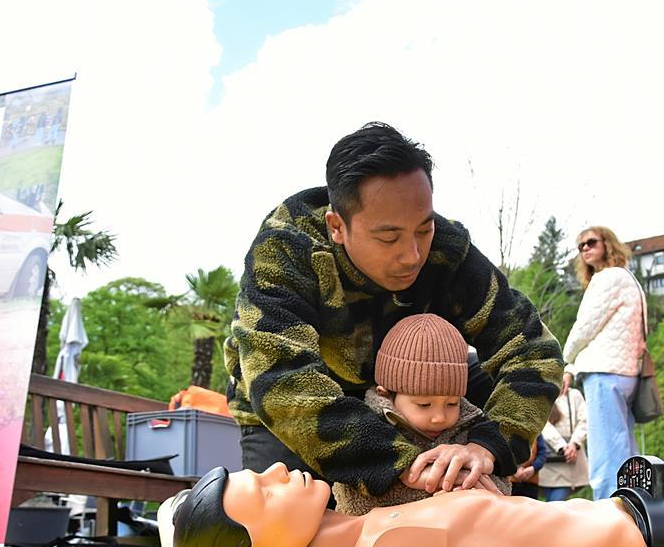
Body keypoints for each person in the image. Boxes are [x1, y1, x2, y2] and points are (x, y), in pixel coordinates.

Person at [225, 122, 561, 509]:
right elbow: (282, 381)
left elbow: (532, 350)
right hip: (297, 406)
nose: (412, 255)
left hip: (413, 389)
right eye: (388, 238)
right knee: (286, 538)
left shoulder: (448, 250)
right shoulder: (287, 248)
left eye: (423, 229)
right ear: (337, 227)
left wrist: (490, 445)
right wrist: (404, 465)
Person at [160, 456, 664, 547]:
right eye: (264, 489)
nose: (279, 469)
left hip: (633, 514)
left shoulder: (371, 531)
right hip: (649, 539)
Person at [331, 314, 511, 515]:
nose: (440, 417)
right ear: (386, 394)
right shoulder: (363, 430)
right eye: (424, 405)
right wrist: (440, 495)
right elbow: (355, 492)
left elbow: (497, 484)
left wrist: (481, 465)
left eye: (452, 403)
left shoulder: (473, 427)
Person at [560, 226, 644, 499]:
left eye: (591, 242)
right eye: (580, 245)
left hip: (606, 373)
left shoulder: (608, 278)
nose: (585, 248)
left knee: (606, 451)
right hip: (625, 371)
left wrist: (564, 360)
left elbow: (585, 328)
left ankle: (609, 513)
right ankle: (633, 511)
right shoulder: (628, 279)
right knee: (624, 450)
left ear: (607, 243)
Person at [538, 386, 589, 502]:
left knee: (554, 507)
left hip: (569, 461)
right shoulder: (541, 393)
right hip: (546, 462)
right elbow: (541, 424)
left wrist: (574, 443)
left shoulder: (574, 394)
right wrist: (562, 446)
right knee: (552, 507)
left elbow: (585, 420)